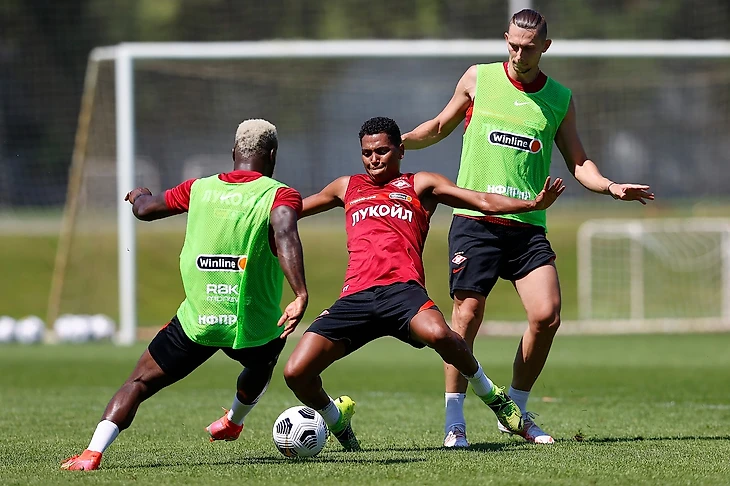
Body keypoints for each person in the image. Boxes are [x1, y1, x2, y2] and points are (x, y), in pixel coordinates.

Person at [401, 9, 655, 447]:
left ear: (546, 47)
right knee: (467, 315)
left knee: (547, 315)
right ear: (506, 39)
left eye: (529, 47)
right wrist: (398, 143)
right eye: (513, 45)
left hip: (527, 225)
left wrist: (610, 186)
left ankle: (513, 410)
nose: (519, 54)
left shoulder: (559, 98)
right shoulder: (479, 78)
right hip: (476, 220)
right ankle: (454, 419)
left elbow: (579, 161)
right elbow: (440, 126)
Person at [283, 116, 565, 450]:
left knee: (440, 334)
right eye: (367, 153)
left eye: (382, 151)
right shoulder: (346, 186)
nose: (374, 159)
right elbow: (290, 212)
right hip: (356, 296)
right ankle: (336, 419)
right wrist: (253, 207)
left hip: (402, 292)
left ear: (401, 151)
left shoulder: (421, 184)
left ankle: (494, 397)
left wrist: (531, 205)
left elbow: (482, 201)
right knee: (295, 373)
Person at [61, 119, 308, 471]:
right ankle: (234, 421)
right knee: (263, 362)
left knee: (138, 382)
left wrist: (138, 194)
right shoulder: (281, 195)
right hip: (253, 326)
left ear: (234, 153)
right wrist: (300, 292)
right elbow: (285, 231)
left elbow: (145, 211)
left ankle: (92, 453)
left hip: (197, 322)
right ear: (272, 155)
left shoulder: (199, 188)